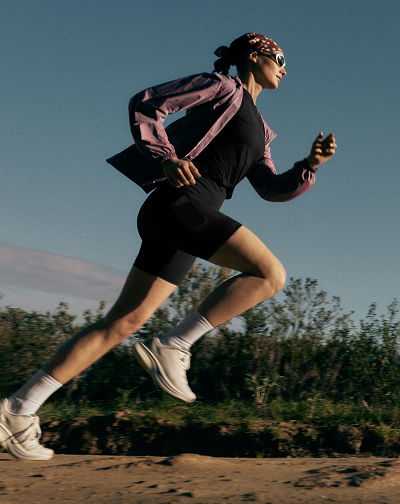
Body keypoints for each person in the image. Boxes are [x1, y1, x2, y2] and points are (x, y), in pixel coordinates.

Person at [0, 32, 336, 460]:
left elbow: (270, 188)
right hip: (179, 204)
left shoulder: (263, 131)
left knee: (121, 324)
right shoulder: (222, 88)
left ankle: (17, 409)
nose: (285, 69)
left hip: (183, 219)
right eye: (280, 58)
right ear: (255, 56)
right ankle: (175, 344)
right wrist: (165, 156)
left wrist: (310, 165)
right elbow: (147, 102)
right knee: (270, 274)